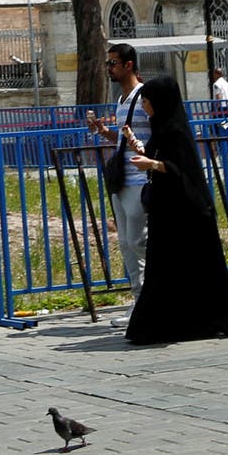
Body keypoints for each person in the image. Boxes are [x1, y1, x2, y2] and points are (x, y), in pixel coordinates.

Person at [122, 76, 228, 345]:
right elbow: (161, 157)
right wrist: (142, 151)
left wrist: (153, 165)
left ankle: (210, 320)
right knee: (168, 270)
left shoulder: (177, 131)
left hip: (187, 213)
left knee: (199, 270)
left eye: (146, 101)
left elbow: (182, 169)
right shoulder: (161, 128)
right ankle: (173, 323)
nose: (144, 106)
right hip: (167, 211)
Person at [86, 43, 151, 289]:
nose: (109, 69)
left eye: (113, 63)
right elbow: (124, 139)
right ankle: (138, 300)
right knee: (125, 243)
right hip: (121, 180)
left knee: (138, 241)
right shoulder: (121, 100)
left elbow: (155, 135)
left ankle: (168, 284)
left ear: (128, 65)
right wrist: (104, 132)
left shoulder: (144, 95)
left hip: (139, 179)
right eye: (108, 63)